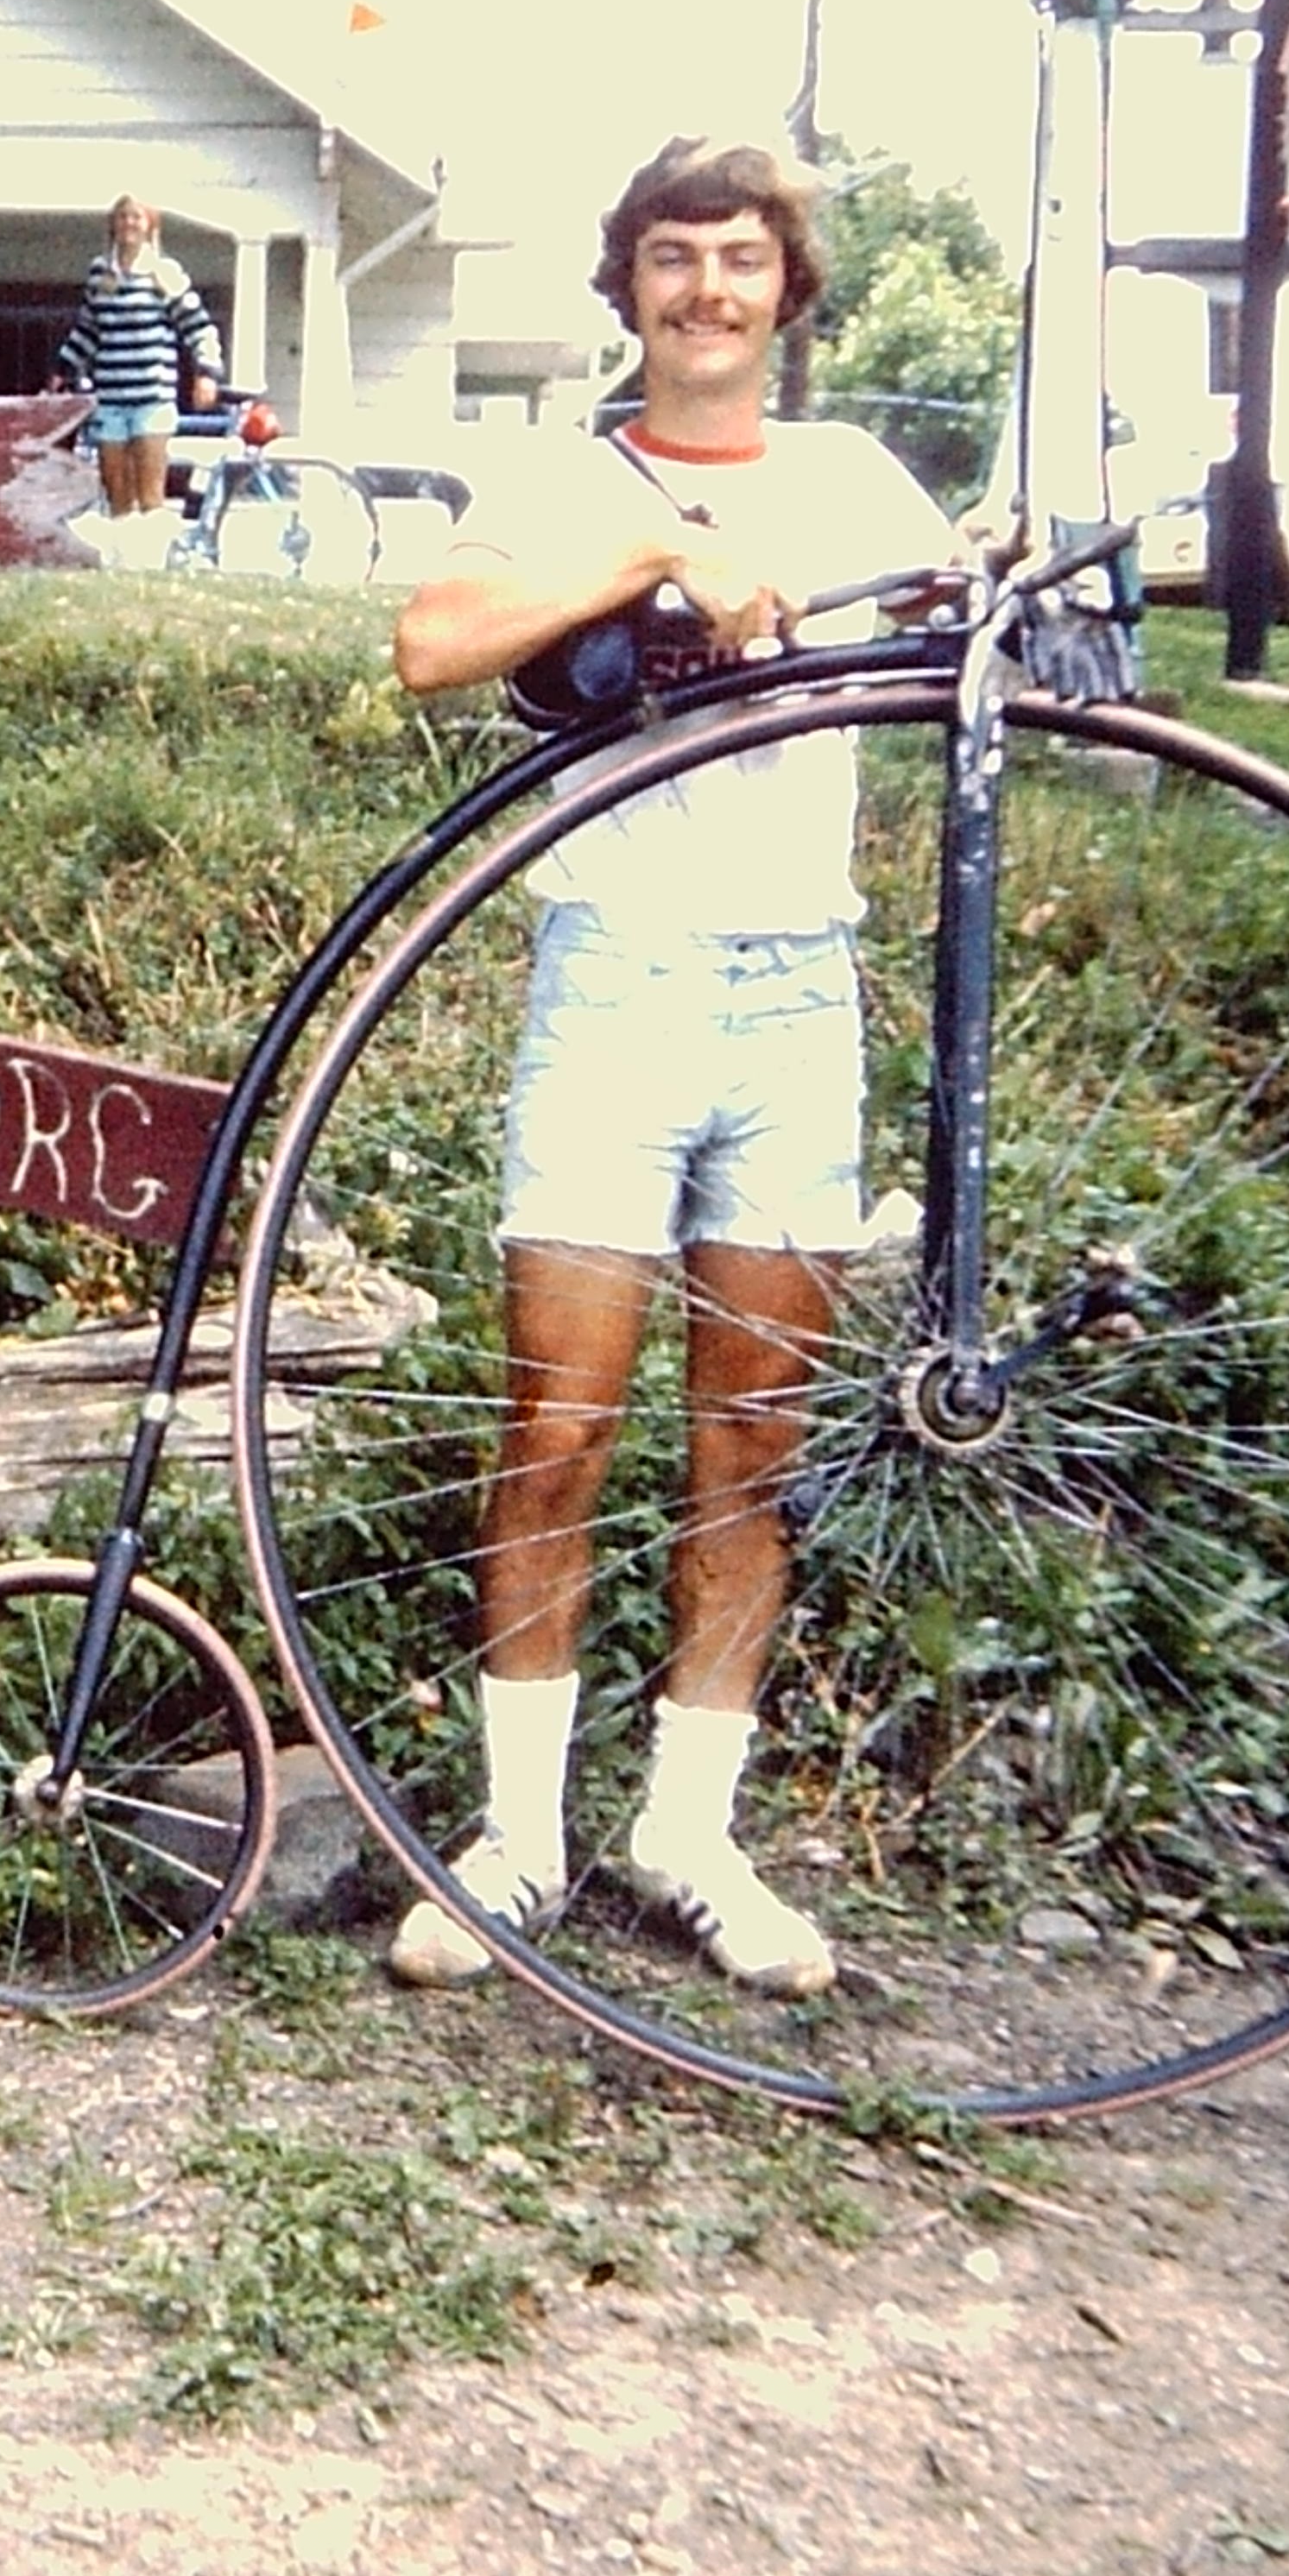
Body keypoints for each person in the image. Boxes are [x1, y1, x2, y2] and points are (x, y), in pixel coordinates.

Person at [375, 133, 962, 2003]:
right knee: (555, 1429)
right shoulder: (558, 470)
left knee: (751, 1449)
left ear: (791, 287)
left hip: (801, 1003)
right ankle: (520, 1841)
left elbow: (970, 646)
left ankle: (688, 1835)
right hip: (613, 983)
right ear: (623, 284)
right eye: (672, 257)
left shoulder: (858, 478)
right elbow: (430, 646)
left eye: (743, 258)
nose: (708, 290)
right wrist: (648, 550)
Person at [55, 194, 223, 522]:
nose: (128, 224)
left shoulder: (164, 273)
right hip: (111, 397)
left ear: (149, 225)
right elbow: (88, 329)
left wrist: (207, 371)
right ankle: (122, 559)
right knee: (116, 488)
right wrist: (63, 368)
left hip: (151, 398)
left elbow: (198, 326)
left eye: (136, 217)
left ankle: (151, 556)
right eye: (122, 217)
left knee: (149, 490)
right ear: (113, 225)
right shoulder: (100, 274)